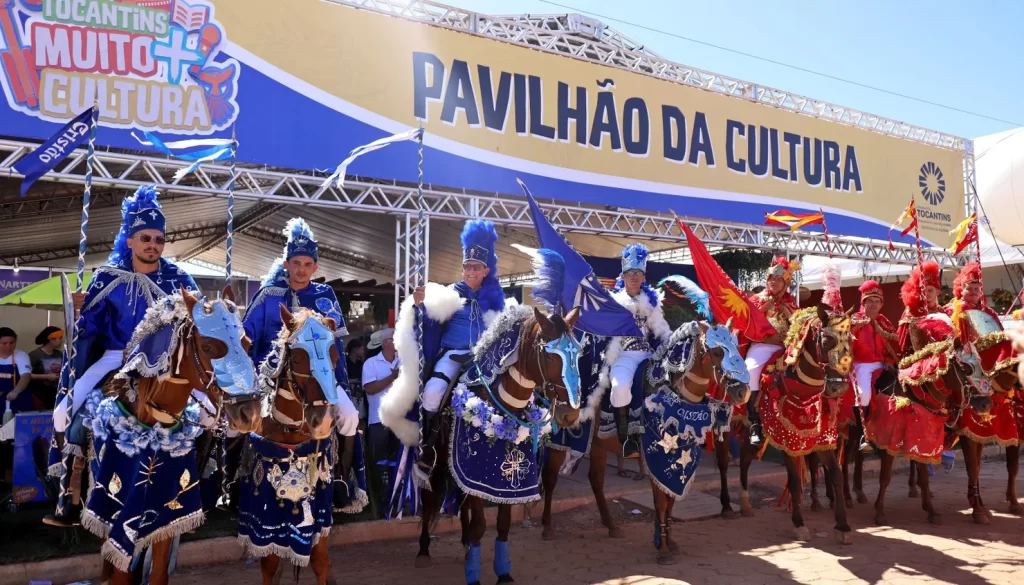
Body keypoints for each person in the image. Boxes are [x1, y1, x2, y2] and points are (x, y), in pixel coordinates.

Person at [44, 185, 199, 527]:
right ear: (129, 240)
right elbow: (91, 331)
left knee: (212, 413)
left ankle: (207, 482)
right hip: (115, 358)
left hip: (165, 362)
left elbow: (197, 321)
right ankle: (72, 495)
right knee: (66, 414)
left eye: (159, 239)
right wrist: (79, 316)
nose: (153, 245)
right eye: (146, 238)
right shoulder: (107, 278)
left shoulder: (179, 278)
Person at [383, 219, 506, 476]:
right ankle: (429, 447)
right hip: (452, 355)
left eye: (476, 267)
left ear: (486, 271)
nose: (470, 271)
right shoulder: (449, 293)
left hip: (483, 360)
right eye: (466, 266)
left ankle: (503, 448)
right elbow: (425, 322)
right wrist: (418, 305)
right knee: (432, 392)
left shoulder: (495, 298)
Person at [242, 217, 360, 435]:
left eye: (307, 264)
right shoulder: (268, 295)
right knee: (238, 422)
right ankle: (228, 467)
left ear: (315, 267)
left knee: (350, 416)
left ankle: (345, 467)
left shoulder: (325, 294)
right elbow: (246, 335)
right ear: (286, 264)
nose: (301, 270)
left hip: (319, 375)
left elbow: (336, 343)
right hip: (269, 374)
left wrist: (339, 381)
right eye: (296, 263)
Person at [606, 243, 671, 458]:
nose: (634, 277)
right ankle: (627, 440)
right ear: (623, 276)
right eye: (629, 273)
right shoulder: (612, 302)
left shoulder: (652, 303)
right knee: (620, 386)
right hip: (623, 355)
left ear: (644, 277)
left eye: (638, 273)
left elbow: (661, 332)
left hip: (648, 355)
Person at [744, 256, 800, 445]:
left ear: (786, 282)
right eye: (771, 279)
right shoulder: (756, 301)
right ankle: (755, 423)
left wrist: (789, 316)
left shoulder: (792, 304)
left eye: (778, 279)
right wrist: (767, 337)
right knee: (749, 372)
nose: (773, 282)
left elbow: (801, 328)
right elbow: (746, 327)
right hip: (763, 346)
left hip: (787, 348)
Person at [850, 281, 898, 450]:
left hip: (882, 364)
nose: (873, 304)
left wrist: (890, 362)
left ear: (881, 304)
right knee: (863, 394)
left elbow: (893, 346)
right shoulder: (855, 321)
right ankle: (863, 432)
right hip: (861, 364)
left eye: (877, 301)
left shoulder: (883, 321)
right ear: (863, 303)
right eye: (869, 300)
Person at [362, 328, 400, 506]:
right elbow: (369, 388)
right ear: (386, 342)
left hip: (401, 420)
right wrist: (392, 377)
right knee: (379, 462)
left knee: (398, 460)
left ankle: (397, 497)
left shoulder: (403, 361)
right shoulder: (371, 363)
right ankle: (378, 501)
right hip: (379, 420)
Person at [0, 327, 32, 420]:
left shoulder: (21, 355)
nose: (8, 346)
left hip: (18, 397)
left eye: (12, 343)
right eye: (4, 343)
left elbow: (25, 376)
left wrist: (16, 391)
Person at [29, 326, 64, 410]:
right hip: (40, 394)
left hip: (56, 392)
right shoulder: (34, 355)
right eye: (60, 338)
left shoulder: (59, 354)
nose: (61, 341)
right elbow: (26, 375)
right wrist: (47, 377)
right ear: (52, 339)